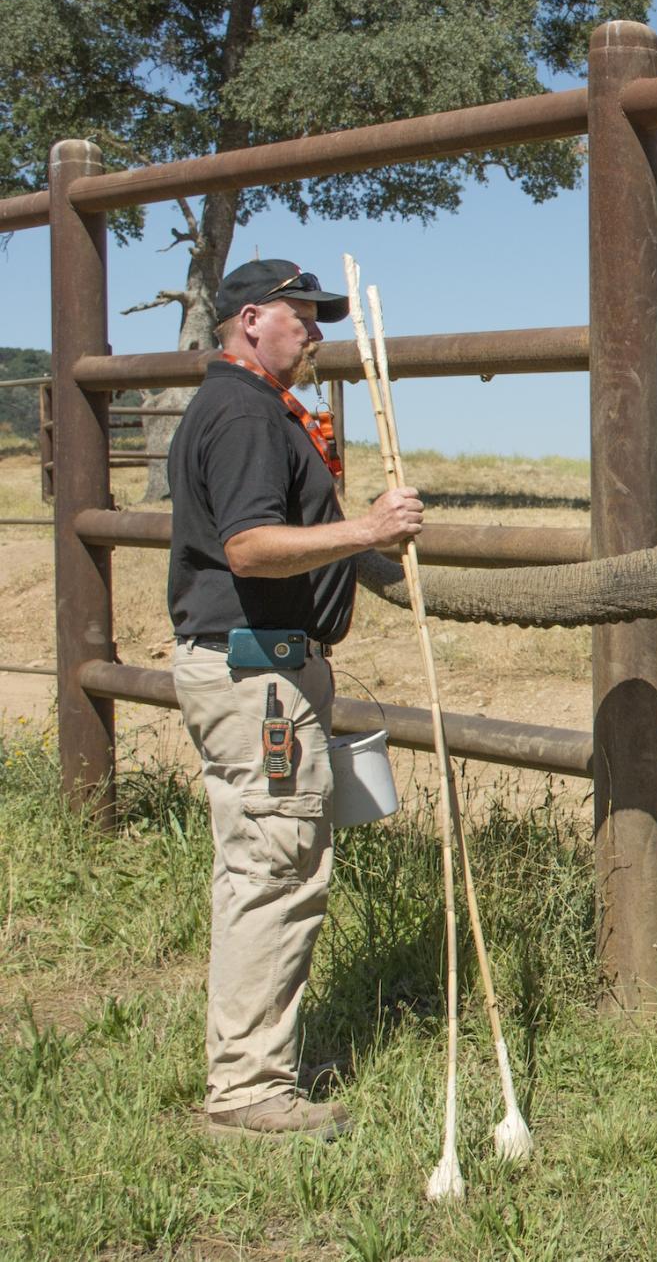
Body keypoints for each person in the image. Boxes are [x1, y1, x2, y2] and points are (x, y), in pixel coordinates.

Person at [167, 258, 424, 1140]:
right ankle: (247, 1091)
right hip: (256, 676)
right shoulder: (241, 412)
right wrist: (369, 530)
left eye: (320, 318)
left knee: (269, 860)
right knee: (273, 867)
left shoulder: (251, 406)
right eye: (301, 316)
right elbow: (248, 546)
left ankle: (256, 1060)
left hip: (266, 668)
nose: (316, 332)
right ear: (248, 321)